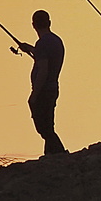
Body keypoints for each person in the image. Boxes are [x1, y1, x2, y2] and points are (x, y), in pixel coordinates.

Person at [17, 9, 67, 156]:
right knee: (48, 125)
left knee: (44, 128)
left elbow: (44, 69)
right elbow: (45, 58)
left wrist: (34, 94)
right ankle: (50, 155)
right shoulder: (56, 40)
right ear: (49, 23)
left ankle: (60, 153)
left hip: (44, 90)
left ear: (33, 25)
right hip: (53, 87)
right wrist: (31, 49)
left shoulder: (42, 44)